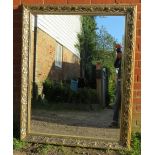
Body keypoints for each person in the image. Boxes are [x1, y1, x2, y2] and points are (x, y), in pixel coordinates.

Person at [109, 44, 122, 128]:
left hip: (123, 81)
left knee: (119, 102)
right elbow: (115, 65)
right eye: (117, 53)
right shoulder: (119, 60)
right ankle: (115, 122)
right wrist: (117, 56)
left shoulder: (125, 59)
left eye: (118, 53)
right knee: (117, 102)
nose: (117, 54)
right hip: (120, 82)